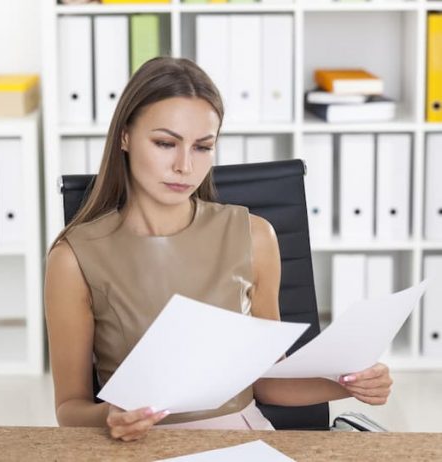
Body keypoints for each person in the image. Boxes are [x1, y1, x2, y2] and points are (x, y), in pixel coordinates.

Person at [44, 57, 393, 441]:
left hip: (241, 440)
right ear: (124, 137)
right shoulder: (73, 258)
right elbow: (70, 408)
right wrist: (111, 417)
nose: (184, 166)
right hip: (138, 445)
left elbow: (268, 383)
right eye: (165, 143)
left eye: (202, 147)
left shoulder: (255, 236)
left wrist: (349, 383)